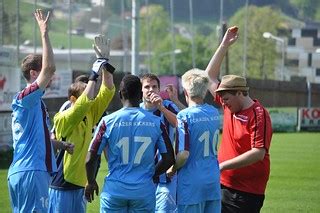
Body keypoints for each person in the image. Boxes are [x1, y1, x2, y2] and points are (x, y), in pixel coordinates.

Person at [7, 9, 71, 212]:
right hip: (31, 172)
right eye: (44, 73)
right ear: (34, 73)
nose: (51, 78)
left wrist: (60, 144)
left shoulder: (33, 103)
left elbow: (36, 138)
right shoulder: (26, 98)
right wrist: (44, 33)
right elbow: (49, 68)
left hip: (25, 171)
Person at [205, 26, 273, 212]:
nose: (223, 104)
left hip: (247, 191)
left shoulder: (259, 114)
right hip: (222, 184)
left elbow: (257, 153)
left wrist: (221, 165)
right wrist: (224, 45)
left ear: (240, 93)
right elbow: (209, 75)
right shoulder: (230, 105)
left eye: (226, 99)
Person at [85, 74, 175, 212]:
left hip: (114, 191)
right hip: (143, 192)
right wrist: (151, 174)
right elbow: (169, 158)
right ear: (140, 95)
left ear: (120, 94)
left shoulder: (107, 121)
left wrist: (91, 182)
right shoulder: (156, 122)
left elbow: (90, 158)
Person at [48, 35, 116, 213]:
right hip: (61, 184)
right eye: (86, 91)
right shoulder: (62, 118)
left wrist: (105, 64)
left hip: (80, 184)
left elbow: (107, 91)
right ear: (72, 99)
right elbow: (84, 102)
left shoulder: (89, 113)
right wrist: (93, 73)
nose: (91, 94)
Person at [167, 69, 221, 213]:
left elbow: (183, 154)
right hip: (213, 180)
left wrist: (173, 168)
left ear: (185, 92)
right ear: (204, 92)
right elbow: (196, 115)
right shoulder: (214, 113)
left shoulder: (184, 116)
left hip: (191, 183)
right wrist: (177, 102)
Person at [140, 73, 180, 212]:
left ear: (159, 90)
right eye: (147, 86)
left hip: (166, 175)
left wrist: (161, 108)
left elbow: (180, 125)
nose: (150, 89)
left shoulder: (168, 106)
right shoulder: (137, 110)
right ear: (141, 90)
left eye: (154, 86)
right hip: (142, 176)